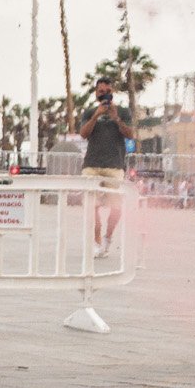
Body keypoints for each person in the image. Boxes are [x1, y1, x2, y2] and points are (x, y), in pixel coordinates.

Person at [77, 77, 133, 257]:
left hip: (114, 164)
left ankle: (108, 238)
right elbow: (84, 134)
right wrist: (96, 115)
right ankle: (96, 240)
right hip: (91, 164)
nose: (104, 95)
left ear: (112, 93)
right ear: (95, 94)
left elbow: (130, 134)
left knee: (116, 207)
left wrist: (116, 118)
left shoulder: (123, 112)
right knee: (91, 206)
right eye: (101, 92)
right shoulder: (89, 112)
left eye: (107, 92)